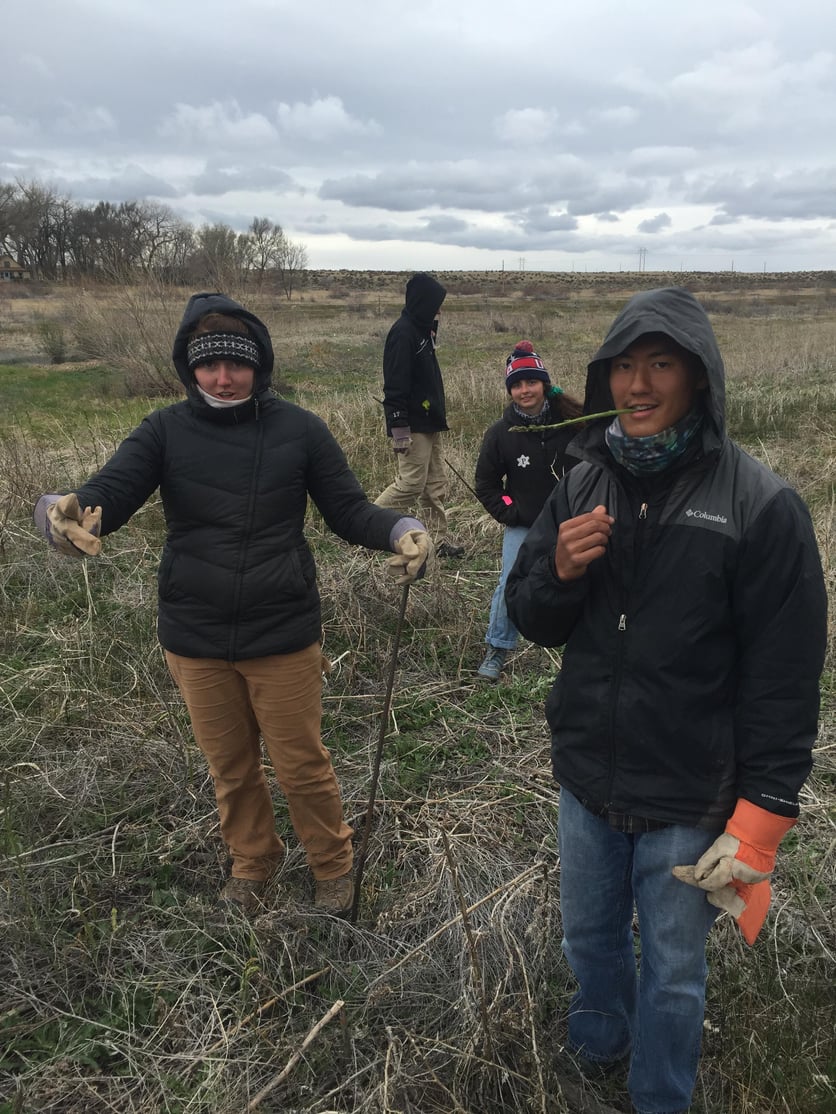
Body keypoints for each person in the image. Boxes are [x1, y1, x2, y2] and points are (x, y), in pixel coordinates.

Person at [505, 287, 827, 1114]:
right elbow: (533, 620)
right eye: (624, 366)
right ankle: (599, 1045)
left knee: (677, 973)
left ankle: (659, 1096)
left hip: (690, 792)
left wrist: (763, 814)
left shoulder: (761, 506)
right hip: (587, 777)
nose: (638, 385)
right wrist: (561, 571)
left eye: (661, 365)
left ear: (698, 379)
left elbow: (785, 679)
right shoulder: (580, 480)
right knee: (590, 940)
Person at [34, 292, 432, 917]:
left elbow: (349, 510)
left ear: (259, 364)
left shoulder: (300, 429)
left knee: (301, 765)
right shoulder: (163, 430)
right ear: (188, 367)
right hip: (194, 632)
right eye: (208, 364)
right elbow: (107, 493)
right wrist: (59, 512)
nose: (223, 378)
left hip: (282, 631)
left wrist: (400, 527)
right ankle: (252, 864)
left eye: (237, 364)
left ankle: (333, 867)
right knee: (232, 768)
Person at [474, 341, 582, 681]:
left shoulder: (574, 421)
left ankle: (584, 646)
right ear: (510, 391)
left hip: (572, 521)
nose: (525, 390)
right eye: (517, 384)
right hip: (525, 525)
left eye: (531, 382)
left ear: (544, 384)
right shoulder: (500, 434)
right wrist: (511, 511)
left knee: (588, 580)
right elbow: (487, 484)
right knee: (510, 581)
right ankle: (498, 647)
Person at [374, 272, 464, 557]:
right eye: (435, 304)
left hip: (430, 421)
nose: (439, 310)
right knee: (411, 484)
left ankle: (437, 541)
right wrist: (398, 426)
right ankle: (367, 522)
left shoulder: (423, 331)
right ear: (423, 303)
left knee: (435, 485)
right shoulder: (403, 333)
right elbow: (396, 384)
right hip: (413, 424)